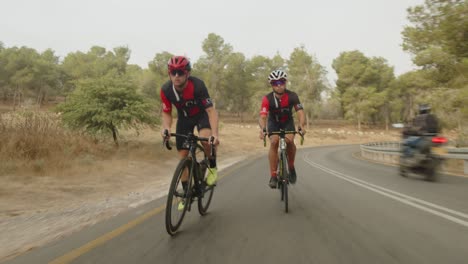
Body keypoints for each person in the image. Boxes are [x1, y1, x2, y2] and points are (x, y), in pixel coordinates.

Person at [160, 56, 219, 208]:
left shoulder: (198, 85)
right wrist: (166, 128)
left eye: (180, 72)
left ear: (187, 73)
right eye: (173, 72)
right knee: (183, 157)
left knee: (205, 139)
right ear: (169, 73)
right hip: (184, 119)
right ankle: (187, 193)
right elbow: (166, 112)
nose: (176, 76)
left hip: (201, 116)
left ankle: (212, 167)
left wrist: (215, 134)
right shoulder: (166, 90)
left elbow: (211, 111)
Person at [258, 70, 306, 188]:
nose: (279, 85)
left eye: (281, 82)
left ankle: (291, 166)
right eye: (275, 83)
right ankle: (273, 175)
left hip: (287, 122)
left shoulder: (292, 96)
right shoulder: (267, 99)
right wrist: (263, 129)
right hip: (273, 122)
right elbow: (263, 116)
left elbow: (300, 112)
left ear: (285, 83)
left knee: (289, 142)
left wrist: (301, 125)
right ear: (272, 85)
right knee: (274, 142)